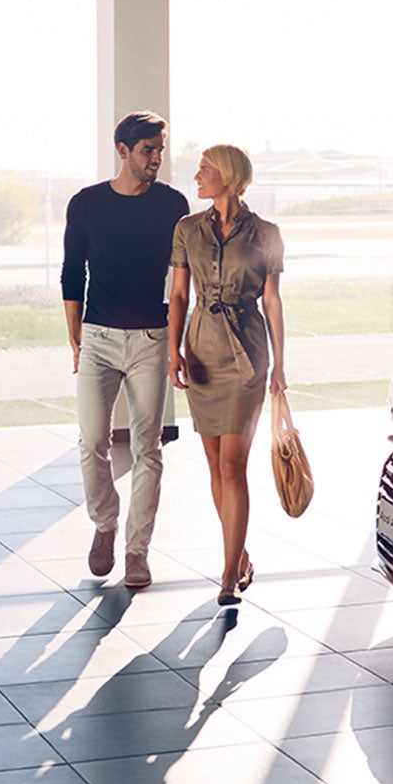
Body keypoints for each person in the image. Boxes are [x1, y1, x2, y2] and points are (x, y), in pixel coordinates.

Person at [62, 111, 191, 588]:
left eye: (160, 150)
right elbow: (72, 273)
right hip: (97, 338)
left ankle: (137, 551)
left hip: (151, 340)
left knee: (147, 449)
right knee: (92, 441)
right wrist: (75, 338)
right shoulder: (87, 203)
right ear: (123, 151)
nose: (156, 158)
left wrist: (175, 344)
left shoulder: (173, 205)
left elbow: (182, 281)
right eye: (147, 150)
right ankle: (104, 524)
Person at [167, 144, 286, 607]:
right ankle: (241, 557)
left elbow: (272, 300)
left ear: (229, 176)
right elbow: (179, 295)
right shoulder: (187, 229)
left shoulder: (267, 234)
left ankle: (227, 574)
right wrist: (174, 350)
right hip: (201, 350)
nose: (197, 177)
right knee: (216, 466)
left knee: (233, 467)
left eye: (205, 170)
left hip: (247, 355)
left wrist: (280, 364)